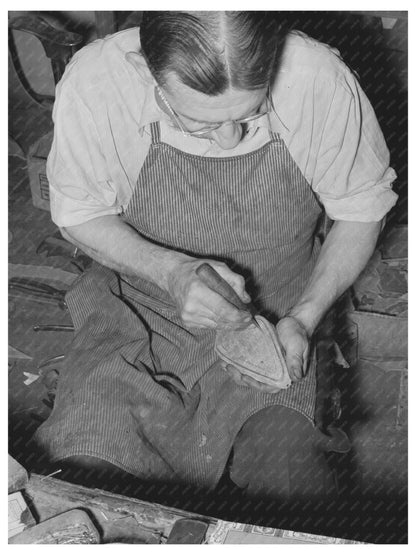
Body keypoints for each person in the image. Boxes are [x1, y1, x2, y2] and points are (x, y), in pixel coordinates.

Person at [34, 11, 397, 528]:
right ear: (149, 72)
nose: (228, 139)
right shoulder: (100, 82)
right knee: (89, 458)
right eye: (200, 121)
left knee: (293, 480)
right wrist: (169, 270)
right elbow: (78, 215)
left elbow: (361, 211)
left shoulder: (317, 78)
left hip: (275, 311)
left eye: (250, 114)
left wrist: (306, 316)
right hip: (140, 304)